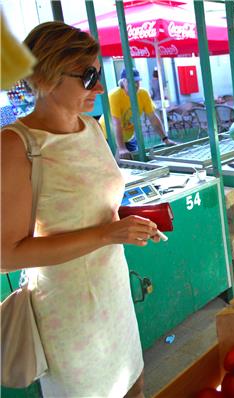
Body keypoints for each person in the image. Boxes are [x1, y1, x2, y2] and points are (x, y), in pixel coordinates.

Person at [1, 21, 160, 397]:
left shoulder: (91, 127)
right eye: (88, 77)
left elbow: (94, 208)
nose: (100, 87)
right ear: (47, 77)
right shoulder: (16, 145)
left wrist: (128, 223)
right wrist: (108, 234)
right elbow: (6, 254)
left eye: (99, 75)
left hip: (113, 291)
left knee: (134, 385)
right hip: (67, 312)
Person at [100, 67, 175, 159]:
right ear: (123, 82)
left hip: (128, 137)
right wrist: (122, 148)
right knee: (114, 165)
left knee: (135, 161)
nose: (135, 85)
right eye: (131, 82)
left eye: (137, 81)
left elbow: (153, 118)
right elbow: (116, 124)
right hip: (107, 137)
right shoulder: (114, 96)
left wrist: (165, 139)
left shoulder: (143, 94)